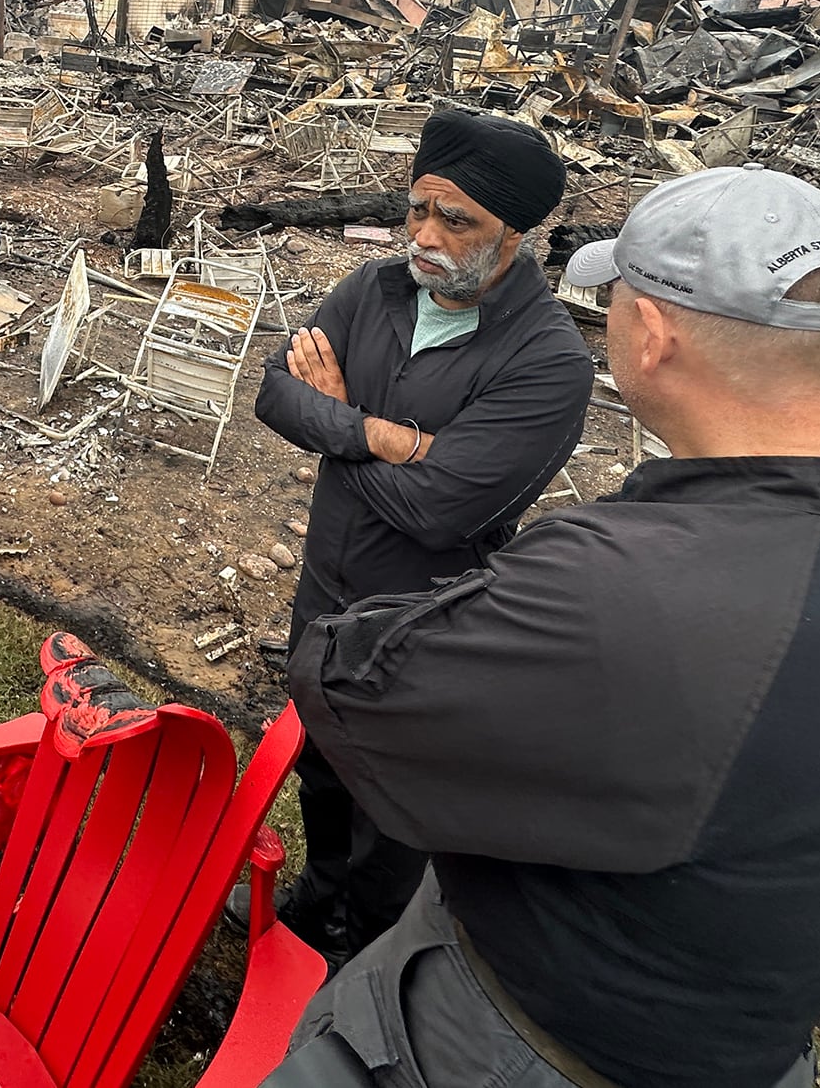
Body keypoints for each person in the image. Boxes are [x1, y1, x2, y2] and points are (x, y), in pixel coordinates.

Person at [276, 166, 820, 1088]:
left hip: (510, 1043)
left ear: (651, 334)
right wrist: (392, 441)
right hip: (739, 1045)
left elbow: (343, 679)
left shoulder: (618, 580)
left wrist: (343, 428)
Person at [239, 107, 594, 963]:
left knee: (393, 807)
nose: (425, 236)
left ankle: (367, 954)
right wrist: (387, 435)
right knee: (321, 767)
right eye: (417, 210)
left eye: (455, 220)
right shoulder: (376, 289)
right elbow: (275, 393)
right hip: (324, 595)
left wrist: (337, 419)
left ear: (513, 232)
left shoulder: (548, 361)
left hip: (421, 625)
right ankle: (316, 899)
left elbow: (441, 510)